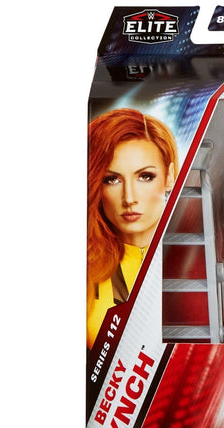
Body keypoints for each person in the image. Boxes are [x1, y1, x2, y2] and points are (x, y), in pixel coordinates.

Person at [87, 108, 178, 349]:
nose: (129, 198)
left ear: (169, 176)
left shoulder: (194, 257)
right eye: (112, 179)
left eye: (145, 176)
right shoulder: (87, 269)